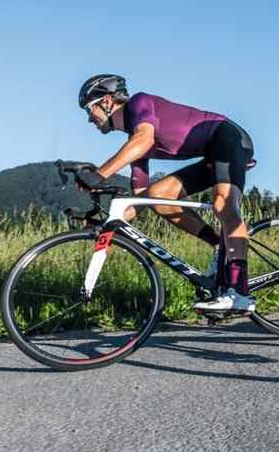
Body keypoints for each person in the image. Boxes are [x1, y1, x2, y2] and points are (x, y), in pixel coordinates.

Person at [77, 74, 255, 312]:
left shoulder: (139, 105)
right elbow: (141, 199)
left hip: (228, 137)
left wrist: (99, 174)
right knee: (158, 195)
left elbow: (143, 139)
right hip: (211, 154)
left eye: (88, 109)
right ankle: (217, 244)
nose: (89, 118)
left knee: (223, 204)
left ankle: (240, 292)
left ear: (107, 101)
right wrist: (107, 222)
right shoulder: (135, 140)